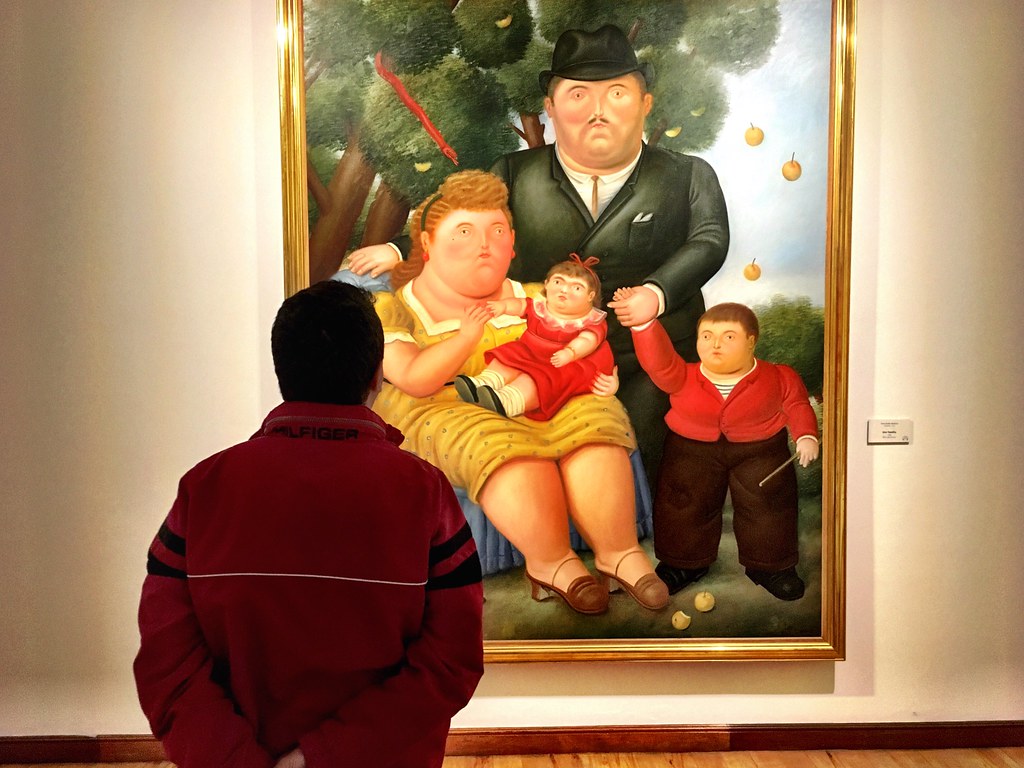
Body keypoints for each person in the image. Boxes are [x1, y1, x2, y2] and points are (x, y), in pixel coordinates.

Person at [347, 24, 729, 484]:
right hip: (538, 354)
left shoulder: (688, 175)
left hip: (652, 358)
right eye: (578, 95)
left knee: (645, 469)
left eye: (617, 94)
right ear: (550, 108)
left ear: (645, 104)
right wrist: (399, 249)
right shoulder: (515, 171)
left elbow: (709, 240)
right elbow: (465, 218)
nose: (598, 111)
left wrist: (656, 293)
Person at [133, 281, 484, 768]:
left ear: (282, 371)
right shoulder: (425, 493)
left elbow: (168, 660)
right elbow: (450, 661)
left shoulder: (204, 487)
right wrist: (321, 757)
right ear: (377, 376)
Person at [372, 168, 668, 614]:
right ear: (428, 243)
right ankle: (552, 562)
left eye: (496, 231)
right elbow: (415, 378)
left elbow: (588, 347)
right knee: (500, 443)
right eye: (464, 231)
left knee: (595, 420)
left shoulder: (540, 298)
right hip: (447, 405)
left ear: (512, 242)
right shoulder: (396, 308)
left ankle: (618, 552)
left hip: (547, 394)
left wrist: (601, 378)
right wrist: (466, 338)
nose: (484, 245)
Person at [621, 298, 820, 600]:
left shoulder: (779, 376)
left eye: (728, 337)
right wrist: (645, 325)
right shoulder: (683, 374)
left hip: (761, 449)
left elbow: (797, 404)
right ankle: (683, 564)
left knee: (769, 504)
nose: (715, 344)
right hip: (690, 448)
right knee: (683, 502)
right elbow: (658, 362)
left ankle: (771, 566)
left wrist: (806, 435)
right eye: (707, 336)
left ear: (751, 341)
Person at [455, 254, 614, 420]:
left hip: (564, 363)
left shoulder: (590, 321)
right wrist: (503, 306)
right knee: (510, 355)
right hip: (532, 352)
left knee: (540, 379)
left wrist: (570, 352)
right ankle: (485, 382)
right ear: (546, 284)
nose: (564, 290)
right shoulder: (540, 307)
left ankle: (508, 400)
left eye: (577, 288)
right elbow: (520, 305)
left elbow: (587, 340)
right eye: (558, 282)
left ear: (590, 296)